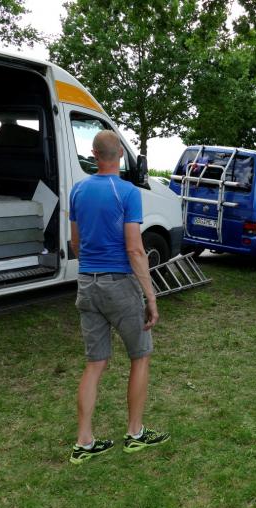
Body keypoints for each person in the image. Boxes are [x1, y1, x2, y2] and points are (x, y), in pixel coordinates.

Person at [68, 130, 169, 465]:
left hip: (87, 282)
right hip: (119, 284)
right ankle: (135, 434)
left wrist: (91, 267)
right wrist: (151, 296)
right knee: (140, 356)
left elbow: (75, 243)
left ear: (94, 154)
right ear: (121, 156)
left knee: (94, 364)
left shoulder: (78, 190)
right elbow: (135, 249)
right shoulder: (127, 192)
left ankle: (84, 441)